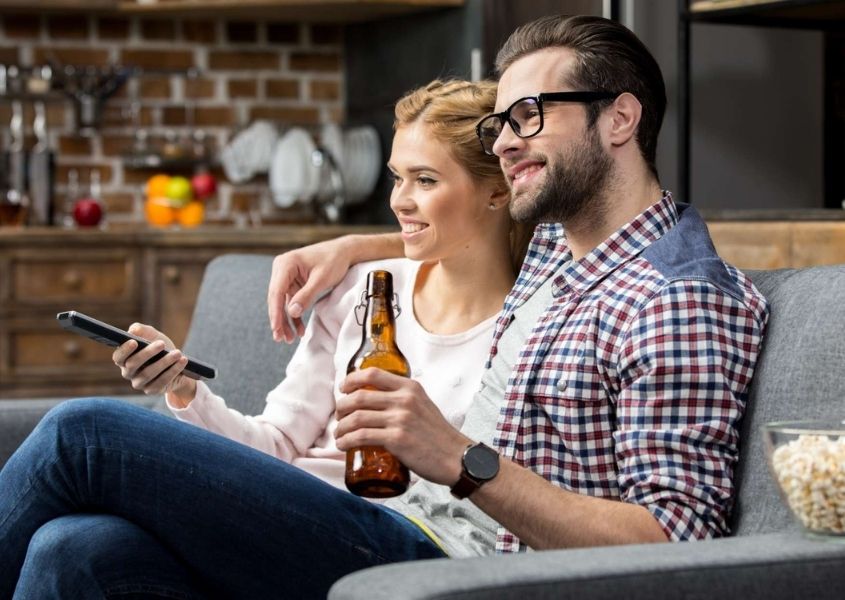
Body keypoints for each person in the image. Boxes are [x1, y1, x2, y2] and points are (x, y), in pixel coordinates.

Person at [0, 15, 769, 600]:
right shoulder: (560, 252)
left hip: (475, 571)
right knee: (76, 550)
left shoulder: (674, 296)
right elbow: (462, 226)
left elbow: (674, 541)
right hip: (432, 538)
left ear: (619, 119)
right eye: (500, 125)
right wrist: (348, 248)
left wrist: (459, 460)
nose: (505, 143)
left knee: (83, 432)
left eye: (528, 117)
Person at [108, 79, 525, 493]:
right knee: (76, 542)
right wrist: (182, 387)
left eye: (426, 180)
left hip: (381, 529)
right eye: (398, 178)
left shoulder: (529, 334)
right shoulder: (363, 289)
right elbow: (275, 445)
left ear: (498, 191)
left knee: (84, 429)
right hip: (287, 504)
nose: (399, 201)